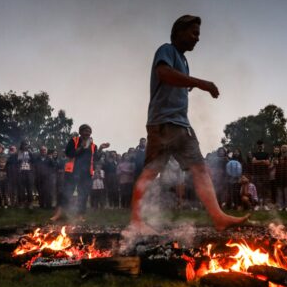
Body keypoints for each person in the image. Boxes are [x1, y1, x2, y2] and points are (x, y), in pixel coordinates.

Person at [130, 14, 249, 232]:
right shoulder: (166, 49)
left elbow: (174, 79)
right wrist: (200, 83)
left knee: (197, 169)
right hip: (166, 123)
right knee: (154, 171)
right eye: (194, 33)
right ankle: (137, 222)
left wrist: (188, 83)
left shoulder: (183, 60)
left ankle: (218, 217)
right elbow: (164, 73)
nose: (197, 38)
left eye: (198, 34)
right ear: (179, 32)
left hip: (178, 125)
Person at [51, 124, 109, 221]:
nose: (88, 133)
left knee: (83, 194)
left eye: (89, 131)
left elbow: (95, 158)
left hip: (86, 174)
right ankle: (59, 214)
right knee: (66, 193)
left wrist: (100, 149)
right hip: (72, 172)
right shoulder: (74, 141)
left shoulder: (93, 145)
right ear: (80, 132)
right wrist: (81, 147)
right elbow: (69, 154)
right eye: (86, 131)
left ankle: (80, 215)